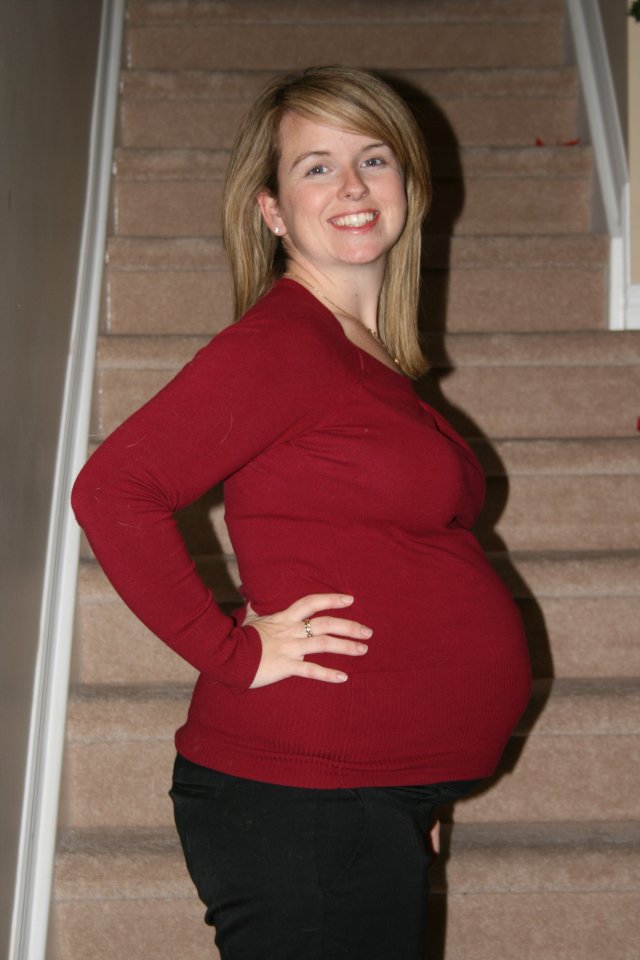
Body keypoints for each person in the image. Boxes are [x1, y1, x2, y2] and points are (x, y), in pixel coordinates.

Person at [72, 66, 531, 960]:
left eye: (373, 159)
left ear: (409, 187)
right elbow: (113, 490)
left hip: (363, 795)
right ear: (273, 211)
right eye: (316, 167)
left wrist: (415, 792)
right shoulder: (285, 342)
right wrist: (233, 652)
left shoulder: (363, 354)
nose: (352, 185)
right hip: (305, 792)